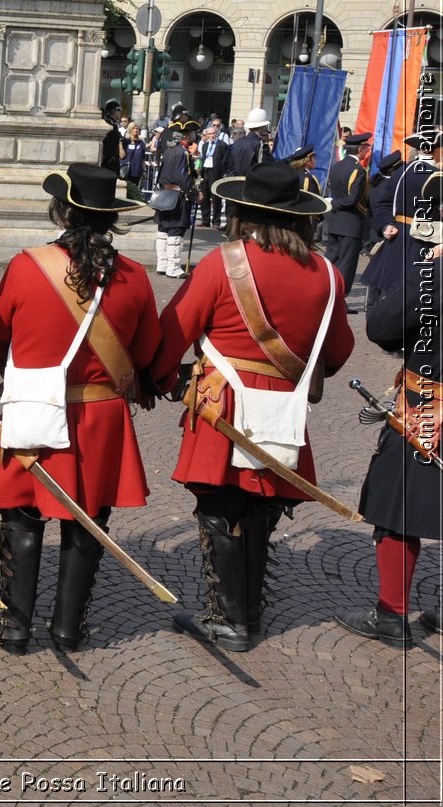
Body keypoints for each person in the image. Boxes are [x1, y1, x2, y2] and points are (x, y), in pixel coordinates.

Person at [153, 161, 354, 652]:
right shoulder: (327, 273)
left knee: (220, 508)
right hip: (282, 408)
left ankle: (229, 619)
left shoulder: (224, 263)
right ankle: (250, 611)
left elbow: (172, 330)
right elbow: (339, 351)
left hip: (221, 407)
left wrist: (157, 378)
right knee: (261, 507)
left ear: (242, 211)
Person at [0, 163, 159, 653]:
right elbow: (147, 349)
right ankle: (69, 628)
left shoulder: (26, 265)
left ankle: (14, 627)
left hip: (34, 405)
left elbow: (2, 336)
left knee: (22, 518)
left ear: (61, 211)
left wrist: (22, 374)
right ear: (110, 219)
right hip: (101, 418)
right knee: (87, 521)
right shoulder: (135, 278)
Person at [336, 172, 443, 647]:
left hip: (429, 406)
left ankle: (392, 615)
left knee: (396, 507)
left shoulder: (437, 274)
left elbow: (380, 325)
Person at [361, 128, 442, 307]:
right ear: (435, 150)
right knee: (415, 293)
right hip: (423, 241)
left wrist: (385, 226)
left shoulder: (401, 171)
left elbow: (383, 204)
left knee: (393, 289)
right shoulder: (436, 176)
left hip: (397, 235)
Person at [324, 132, 371, 304]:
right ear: (360, 149)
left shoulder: (337, 166)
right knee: (346, 265)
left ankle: (327, 295)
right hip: (351, 223)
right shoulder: (359, 170)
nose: (367, 150)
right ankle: (338, 300)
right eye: (366, 147)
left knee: (331, 261)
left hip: (335, 222)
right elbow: (354, 199)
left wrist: (332, 203)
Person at [155, 122, 195, 278]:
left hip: (165, 193)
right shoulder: (183, 153)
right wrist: (194, 194)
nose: (193, 136)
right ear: (185, 136)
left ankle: (162, 264)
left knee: (163, 230)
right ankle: (173, 268)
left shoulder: (169, 151)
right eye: (191, 134)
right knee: (175, 230)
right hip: (177, 197)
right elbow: (183, 178)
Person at [197, 123, 229, 226]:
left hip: (216, 173)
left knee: (216, 198)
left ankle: (216, 221)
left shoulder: (222, 145)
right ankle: (205, 220)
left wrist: (224, 173)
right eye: (209, 134)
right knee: (204, 197)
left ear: (217, 133)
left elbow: (225, 161)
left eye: (213, 133)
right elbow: (203, 157)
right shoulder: (205, 145)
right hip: (205, 171)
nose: (212, 136)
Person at [228, 108, 270, 176]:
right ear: (263, 126)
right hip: (252, 183)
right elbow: (268, 166)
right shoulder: (260, 144)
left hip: (236, 183)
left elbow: (229, 165)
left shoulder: (237, 142)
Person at [121, 123, 147, 199]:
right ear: (130, 130)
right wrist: (120, 145)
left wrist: (144, 170)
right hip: (127, 171)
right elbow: (122, 156)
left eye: (137, 128)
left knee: (134, 191)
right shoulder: (125, 141)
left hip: (137, 171)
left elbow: (143, 158)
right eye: (133, 128)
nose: (135, 130)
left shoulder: (141, 143)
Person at [99, 100, 124, 173]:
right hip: (109, 162)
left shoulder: (108, 122)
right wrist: (111, 159)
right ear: (115, 112)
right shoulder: (112, 125)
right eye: (119, 111)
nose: (120, 113)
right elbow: (110, 144)